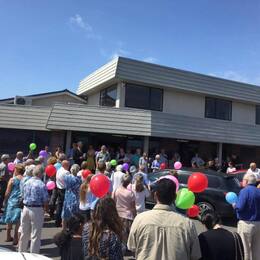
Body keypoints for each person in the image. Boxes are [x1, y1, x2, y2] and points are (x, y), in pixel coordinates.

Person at [127, 178, 201, 260]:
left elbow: (132, 248)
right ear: (175, 197)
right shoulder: (187, 224)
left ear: (155, 195)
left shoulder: (140, 219)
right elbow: (195, 255)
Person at [18, 165, 49, 253]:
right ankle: (34, 256)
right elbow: (45, 200)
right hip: (36, 209)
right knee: (35, 234)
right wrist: (46, 210)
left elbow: (23, 195)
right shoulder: (41, 184)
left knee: (24, 233)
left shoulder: (26, 182)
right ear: (41, 173)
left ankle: (21, 253)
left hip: (26, 208)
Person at [234, 174, 260, 260]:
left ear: (247, 181)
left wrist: (234, 205)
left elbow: (240, 207)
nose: (242, 181)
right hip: (258, 224)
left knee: (245, 249)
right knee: (256, 250)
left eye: (243, 180)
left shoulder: (244, 191)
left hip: (246, 224)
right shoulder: (259, 191)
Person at [1, 164, 24, 245]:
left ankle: (8, 237)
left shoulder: (12, 180)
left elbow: (7, 192)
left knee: (9, 218)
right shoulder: (24, 179)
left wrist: (4, 200)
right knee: (18, 220)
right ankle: (15, 238)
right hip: (20, 201)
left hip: (11, 201)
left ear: (17, 170)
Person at [112, 173, 136, 245]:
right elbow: (133, 207)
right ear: (129, 183)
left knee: (119, 233)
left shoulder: (116, 190)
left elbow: (113, 201)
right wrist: (135, 216)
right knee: (127, 235)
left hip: (118, 215)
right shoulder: (130, 193)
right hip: (127, 216)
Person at [61, 164, 81, 229]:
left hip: (67, 195)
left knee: (65, 213)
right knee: (74, 214)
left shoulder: (66, 177)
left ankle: (64, 228)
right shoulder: (78, 179)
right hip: (75, 196)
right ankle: (72, 229)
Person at [55, 160, 70, 227]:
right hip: (64, 190)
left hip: (59, 188)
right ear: (64, 165)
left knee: (59, 205)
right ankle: (63, 222)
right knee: (64, 207)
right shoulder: (66, 172)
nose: (69, 166)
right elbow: (69, 182)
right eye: (68, 165)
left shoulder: (59, 170)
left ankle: (57, 221)